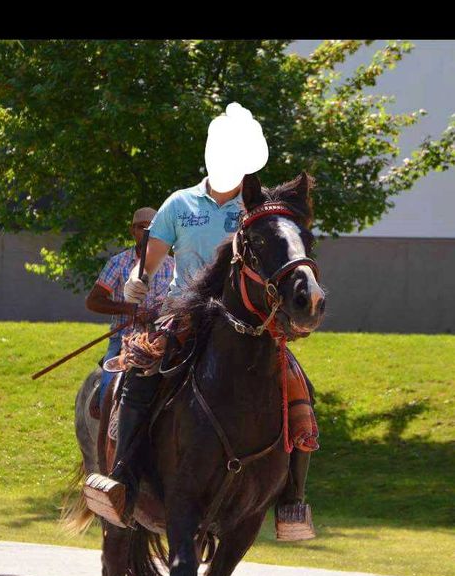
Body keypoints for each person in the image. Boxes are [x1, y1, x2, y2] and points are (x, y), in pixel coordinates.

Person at [85, 103, 316, 539]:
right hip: (184, 315)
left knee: (301, 389)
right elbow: (151, 258)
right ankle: (122, 480)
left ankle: (292, 500)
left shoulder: (257, 206)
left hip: (247, 321)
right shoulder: (180, 203)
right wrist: (137, 280)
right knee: (137, 376)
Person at [85, 207, 174, 412]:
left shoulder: (173, 266)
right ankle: (107, 428)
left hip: (162, 339)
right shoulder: (118, 263)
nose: (148, 232)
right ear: (132, 231)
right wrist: (130, 310)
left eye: (154, 227)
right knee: (109, 388)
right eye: (142, 227)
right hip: (123, 339)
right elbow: (93, 301)